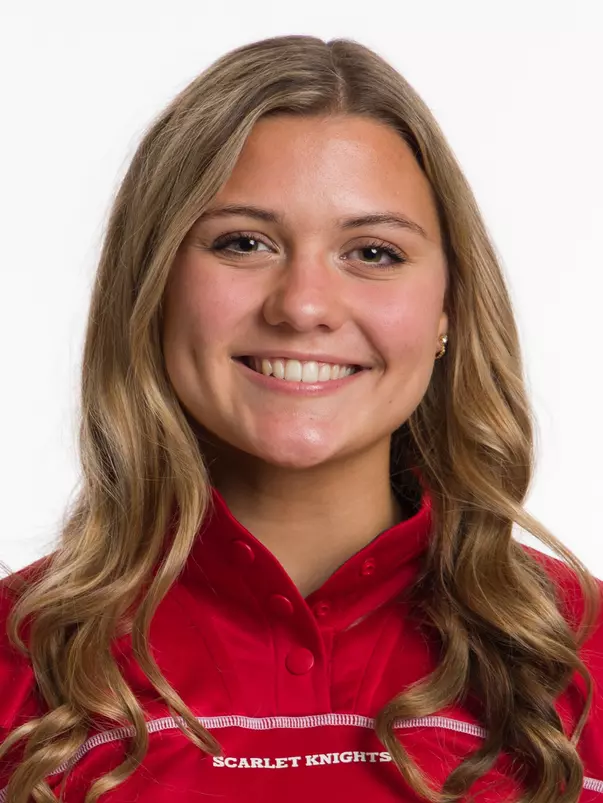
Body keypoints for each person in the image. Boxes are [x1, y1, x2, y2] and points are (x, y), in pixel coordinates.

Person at [0, 34, 602, 803]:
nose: (303, 306)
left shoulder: (586, 655)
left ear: (448, 306)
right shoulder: (13, 661)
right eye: (243, 242)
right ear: (151, 290)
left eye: (373, 252)